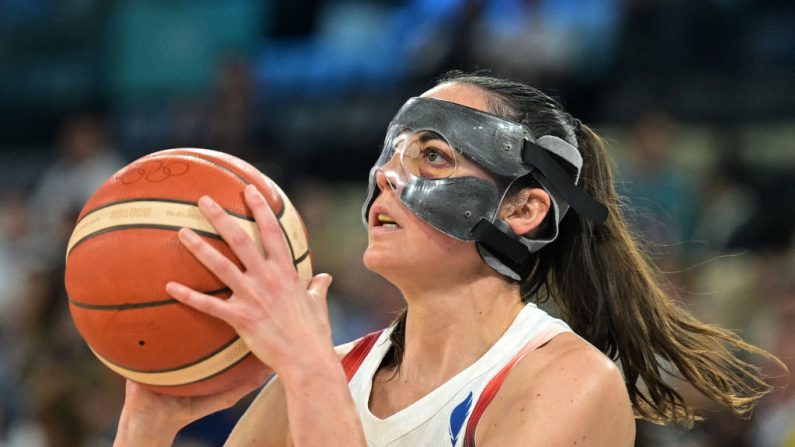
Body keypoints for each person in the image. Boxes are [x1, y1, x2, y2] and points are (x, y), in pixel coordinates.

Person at [112, 72, 780, 446]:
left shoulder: (567, 379)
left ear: (523, 210)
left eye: (433, 156)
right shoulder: (327, 369)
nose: (386, 177)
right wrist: (151, 417)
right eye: (389, 153)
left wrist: (309, 372)